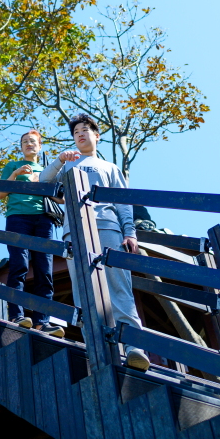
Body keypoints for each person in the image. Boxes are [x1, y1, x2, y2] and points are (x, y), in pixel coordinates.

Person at [39, 113, 151, 371]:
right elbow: (44, 183)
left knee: (119, 287)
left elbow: (123, 202)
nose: (80, 134)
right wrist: (59, 160)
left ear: (96, 136)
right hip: (74, 233)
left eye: (85, 130)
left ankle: (134, 347)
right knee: (83, 291)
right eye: (76, 132)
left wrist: (130, 232)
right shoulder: (67, 165)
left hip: (107, 227)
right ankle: (96, 347)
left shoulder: (109, 167)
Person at [0, 129, 66, 337]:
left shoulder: (48, 170)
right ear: (21, 147)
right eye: (25, 141)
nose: (28, 144)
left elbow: (61, 199)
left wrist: (41, 184)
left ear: (39, 146)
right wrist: (16, 175)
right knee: (19, 265)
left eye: (33, 141)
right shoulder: (13, 166)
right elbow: (0, 194)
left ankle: (42, 321)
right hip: (18, 218)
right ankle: (16, 316)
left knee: (45, 269)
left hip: (44, 220)